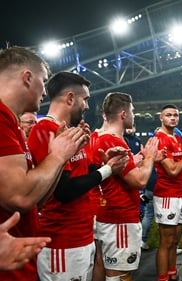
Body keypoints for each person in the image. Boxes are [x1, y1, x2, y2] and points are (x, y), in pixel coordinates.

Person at [27, 71, 129, 281]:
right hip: (62, 239)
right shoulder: (44, 130)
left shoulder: (70, 132)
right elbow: (64, 191)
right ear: (70, 98)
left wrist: (104, 163)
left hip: (81, 234)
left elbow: (83, 174)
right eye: (85, 99)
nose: (87, 106)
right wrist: (107, 170)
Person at [0, 46, 89, 280]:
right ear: (28, 77)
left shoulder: (13, 123)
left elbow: (35, 200)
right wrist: (58, 156)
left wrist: (60, 158)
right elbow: (19, 197)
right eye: (44, 80)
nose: (45, 91)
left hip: (17, 257)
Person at [91, 92, 159, 281]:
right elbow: (139, 181)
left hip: (104, 213)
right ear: (123, 114)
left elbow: (116, 173)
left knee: (100, 263)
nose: (134, 115)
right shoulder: (113, 140)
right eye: (132, 111)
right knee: (120, 274)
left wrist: (138, 161)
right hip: (119, 216)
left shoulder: (97, 136)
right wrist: (150, 157)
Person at [153, 104, 182, 281]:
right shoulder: (160, 139)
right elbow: (172, 171)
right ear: (161, 118)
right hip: (167, 195)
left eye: (175, 115)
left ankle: (172, 275)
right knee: (166, 241)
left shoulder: (177, 138)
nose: (173, 118)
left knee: (174, 241)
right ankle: (163, 278)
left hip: (180, 193)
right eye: (168, 115)